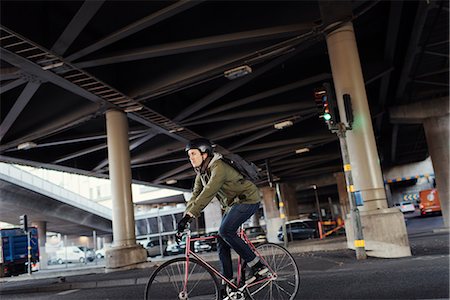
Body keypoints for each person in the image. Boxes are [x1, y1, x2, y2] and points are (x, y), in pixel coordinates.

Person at [177, 138, 268, 290]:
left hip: (248, 199)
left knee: (226, 231)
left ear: (204, 154)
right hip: (232, 205)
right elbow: (195, 195)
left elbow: (209, 191)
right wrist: (185, 217)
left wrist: (191, 215)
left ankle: (257, 265)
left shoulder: (218, 167)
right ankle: (229, 282)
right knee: (221, 238)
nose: (190, 158)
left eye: (193, 153)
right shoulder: (202, 173)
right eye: (189, 155)